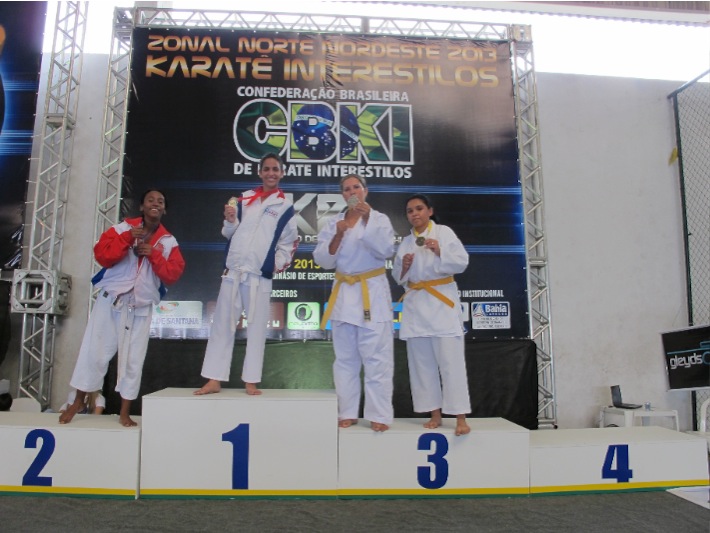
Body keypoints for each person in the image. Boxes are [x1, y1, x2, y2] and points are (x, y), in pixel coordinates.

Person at [59, 189, 185, 427]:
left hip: (140, 308)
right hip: (111, 301)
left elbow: (173, 274)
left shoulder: (168, 241)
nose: (155, 203)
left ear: (164, 209)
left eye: (160, 201)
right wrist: (127, 238)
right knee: (94, 351)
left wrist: (154, 255)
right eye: (150, 200)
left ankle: (124, 412)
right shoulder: (122, 229)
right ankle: (77, 401)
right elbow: (102, 256)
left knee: (133, 360)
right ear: (142, 206)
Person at [194, 153, 298, 396]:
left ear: (282, 173)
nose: (271, 173)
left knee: (257, 328)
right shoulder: (244, 199)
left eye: (275, 169)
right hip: (233, 272)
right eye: (267, 169)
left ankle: (251, 380)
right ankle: (214, 379)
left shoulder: (285, 207)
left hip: (258, 277)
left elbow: (289, 243)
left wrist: (271, 265)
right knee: (222, 326)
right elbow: (229, 233)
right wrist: (230, 220)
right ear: (260, 172)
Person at [313, 174, 395, 432]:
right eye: (347, 189)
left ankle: (379, 414)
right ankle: (346, 411)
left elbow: (386, 250)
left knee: (377, 358)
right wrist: (338, 235)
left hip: (372, 292)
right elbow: (322, 260)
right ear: (342, 195)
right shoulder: (333, 223)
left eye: (356, 187)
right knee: (345, 359)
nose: (352, 192)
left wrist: (367, 219)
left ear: (365, 191)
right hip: (344, 295)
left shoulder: (379, 219)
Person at [392, 194, 471, 436]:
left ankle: (460, 417)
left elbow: (462, 262)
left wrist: (439, 251)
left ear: (429, 211)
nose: (414, 214)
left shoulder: (444, 233)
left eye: (419, 208)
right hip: (417, 306)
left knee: (451, 364)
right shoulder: (406, 243)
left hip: (441, 304)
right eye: (410, 211)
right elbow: (398, 277)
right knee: (422, 366)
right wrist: (404, 267)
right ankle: (434, 414)